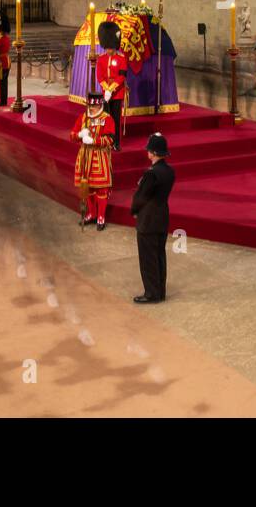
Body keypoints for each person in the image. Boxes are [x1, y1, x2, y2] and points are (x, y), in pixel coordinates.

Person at [131, 132, 174, 304]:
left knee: (148, 258)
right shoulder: (170, 171)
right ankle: (160, 291)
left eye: (149, 149)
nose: (147, 152)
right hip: (162, 216)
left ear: (154, 152)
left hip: (148, 219)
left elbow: (141, 196)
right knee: (159, 256)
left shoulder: (151, 174)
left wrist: (134, 210)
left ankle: (151, 293)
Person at [71, 91, 115, 230]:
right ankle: (92, 213)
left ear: (100, 105)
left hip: (99, 157)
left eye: (93, 106)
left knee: (101, 189)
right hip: (84, 157)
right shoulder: (83, 117)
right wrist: (79, 135)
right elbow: (72, 135)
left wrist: (94, 140)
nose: (90, 108)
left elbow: (110, 140)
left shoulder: (107, 119)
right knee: (87, 188)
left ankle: (101, 216)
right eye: (89, 105)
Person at [95, 19, 128, 149]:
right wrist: (106, 89)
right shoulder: (101, 59)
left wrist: (112, 89)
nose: (108, 50)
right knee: (106, 119)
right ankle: (107, 141)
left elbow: (121, 76)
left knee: (116, 119)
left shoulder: (121, 59)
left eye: (110, 47)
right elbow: (100, 76)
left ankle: (116, 142)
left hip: (118, 94)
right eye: (107, 47)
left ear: (115, 46)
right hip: (106, 93)